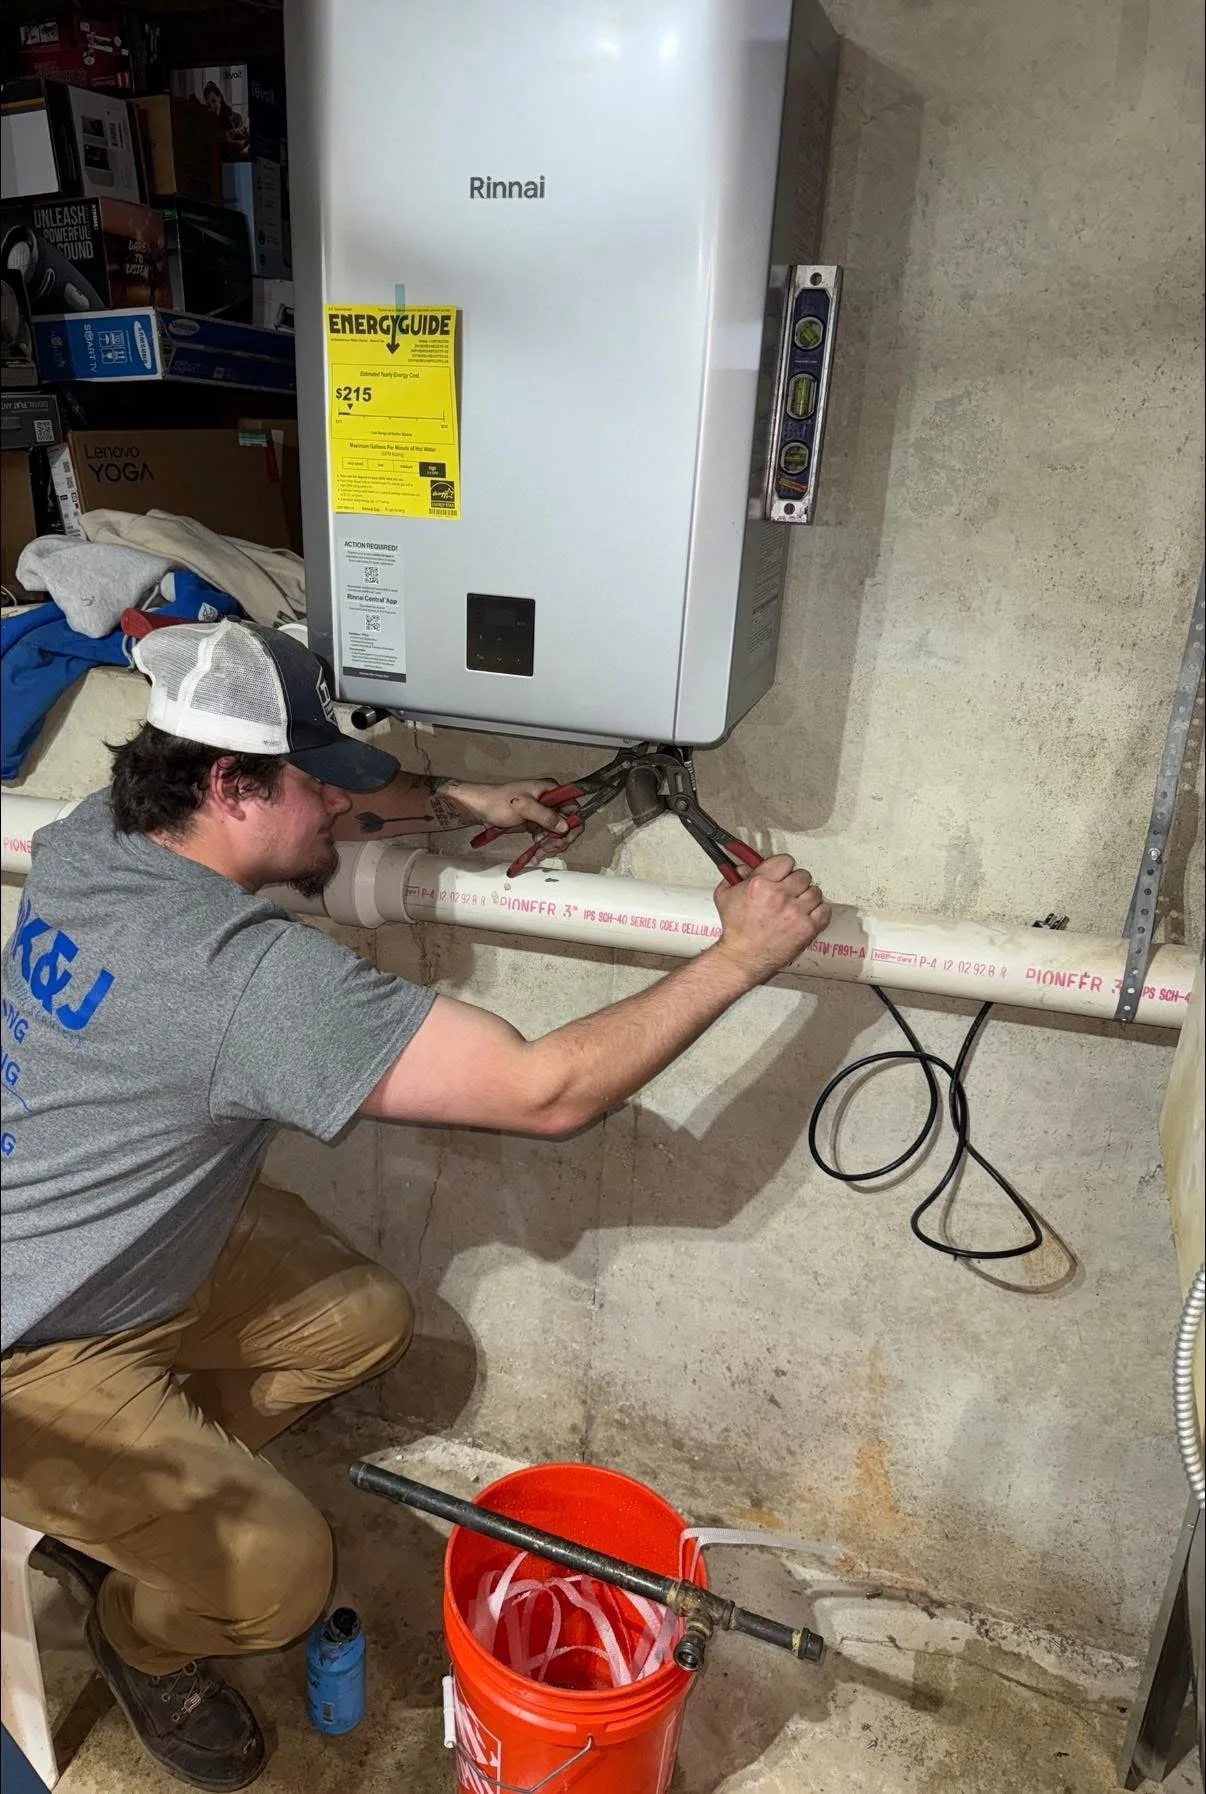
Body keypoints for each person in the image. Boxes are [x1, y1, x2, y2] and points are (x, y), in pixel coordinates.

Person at [0, 619, 829, 1791]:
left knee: (356, 1318)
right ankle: (145, 1628)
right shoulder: (244, 983)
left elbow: (327, 813)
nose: (339, 810)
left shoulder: (104, 830)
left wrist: (456, 796)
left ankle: (137, 1526)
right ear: (230, 786)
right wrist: (741, 957)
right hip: (27, 1354)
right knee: (283, 1575)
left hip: (106, 1253)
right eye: (316, 789)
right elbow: (547, 1093)